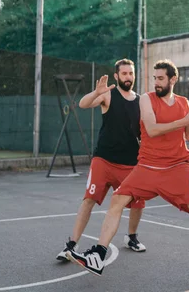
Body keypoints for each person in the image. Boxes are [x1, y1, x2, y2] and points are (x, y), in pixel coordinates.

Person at [68, 59, 189, 283]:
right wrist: (185, 119)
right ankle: (99, 254)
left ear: (173, 79)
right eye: (154, 78)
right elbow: (151, 130)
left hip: (177, 167)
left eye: (161, 78)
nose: (156, 83)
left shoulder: (183, 104)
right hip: (147, 166)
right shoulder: (146, 99)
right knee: (118, 200)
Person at [56, 59, 147, 262]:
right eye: (124, 73)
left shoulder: (141, 101)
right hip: (104, 160)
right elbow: (82, 104)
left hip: (131, 163)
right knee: (88, 200)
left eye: (130, 73)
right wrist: (97, 92)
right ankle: (71, 244)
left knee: (138, 203)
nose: (128, 77)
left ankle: (131, 237)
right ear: (116, 76)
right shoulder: (108, 94)